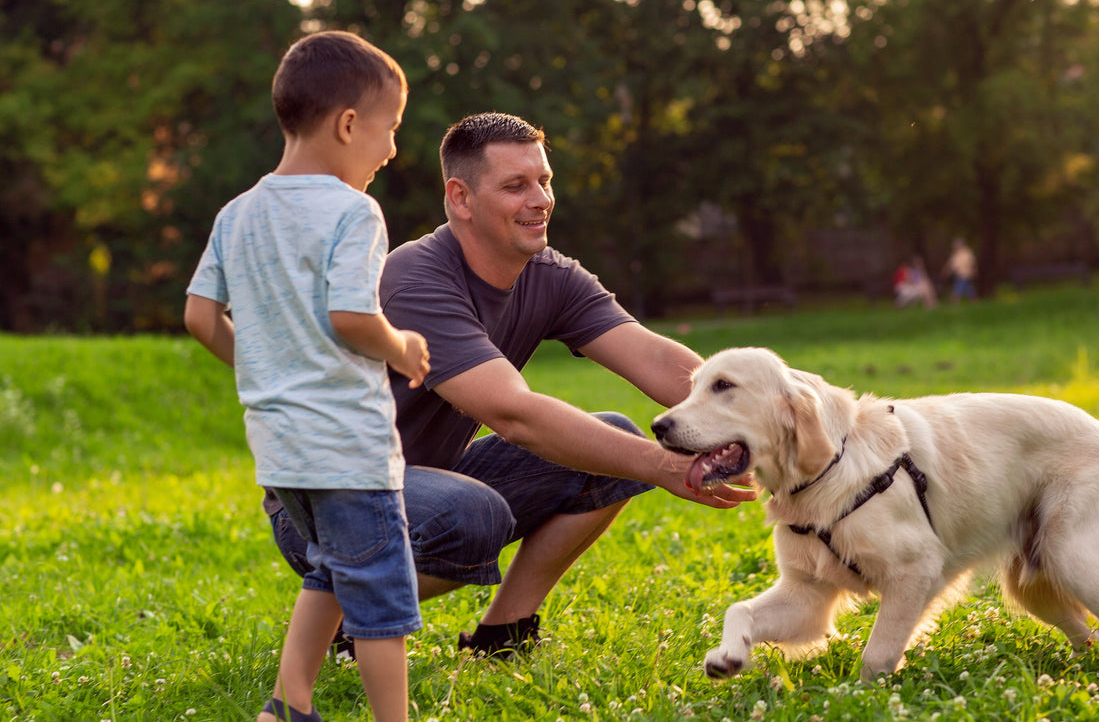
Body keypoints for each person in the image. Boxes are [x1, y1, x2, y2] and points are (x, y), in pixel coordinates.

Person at [268, 111, 757, 660]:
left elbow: (652, 356)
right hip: (324, 503)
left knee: (607, 443)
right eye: (515, 185)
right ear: (460, 198)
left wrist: (755, 418)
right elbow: (512, 413)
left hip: (422, 480)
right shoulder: (415, 280)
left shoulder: (550, 274)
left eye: (544, 181)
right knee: (471, 513)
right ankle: (345, 613)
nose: (541, 199)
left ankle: (503, 634)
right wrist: (663, 464)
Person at [184, 31, 431, 722]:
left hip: (280, 450)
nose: (390, 150)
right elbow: (353, 315)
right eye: (390, 131)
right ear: (349, 124)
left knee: (330, 565)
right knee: (379, 595)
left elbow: (201, 318)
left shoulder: (237, 214)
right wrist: (401, 345)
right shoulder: (354, 211)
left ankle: (289, 704)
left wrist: (264, 366)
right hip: (347, 447)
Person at [942, 237, 978, 303]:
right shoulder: (955, 254)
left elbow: (973, 263)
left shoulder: (967, 252)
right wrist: (946, 271)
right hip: (958, 274)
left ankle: (954, 300)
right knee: (968, 288)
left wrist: (974, 271)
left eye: (955, 244)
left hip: (965, 273)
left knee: (958, 287)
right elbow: (951, 264)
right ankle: (974, 300)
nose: (954, 246)